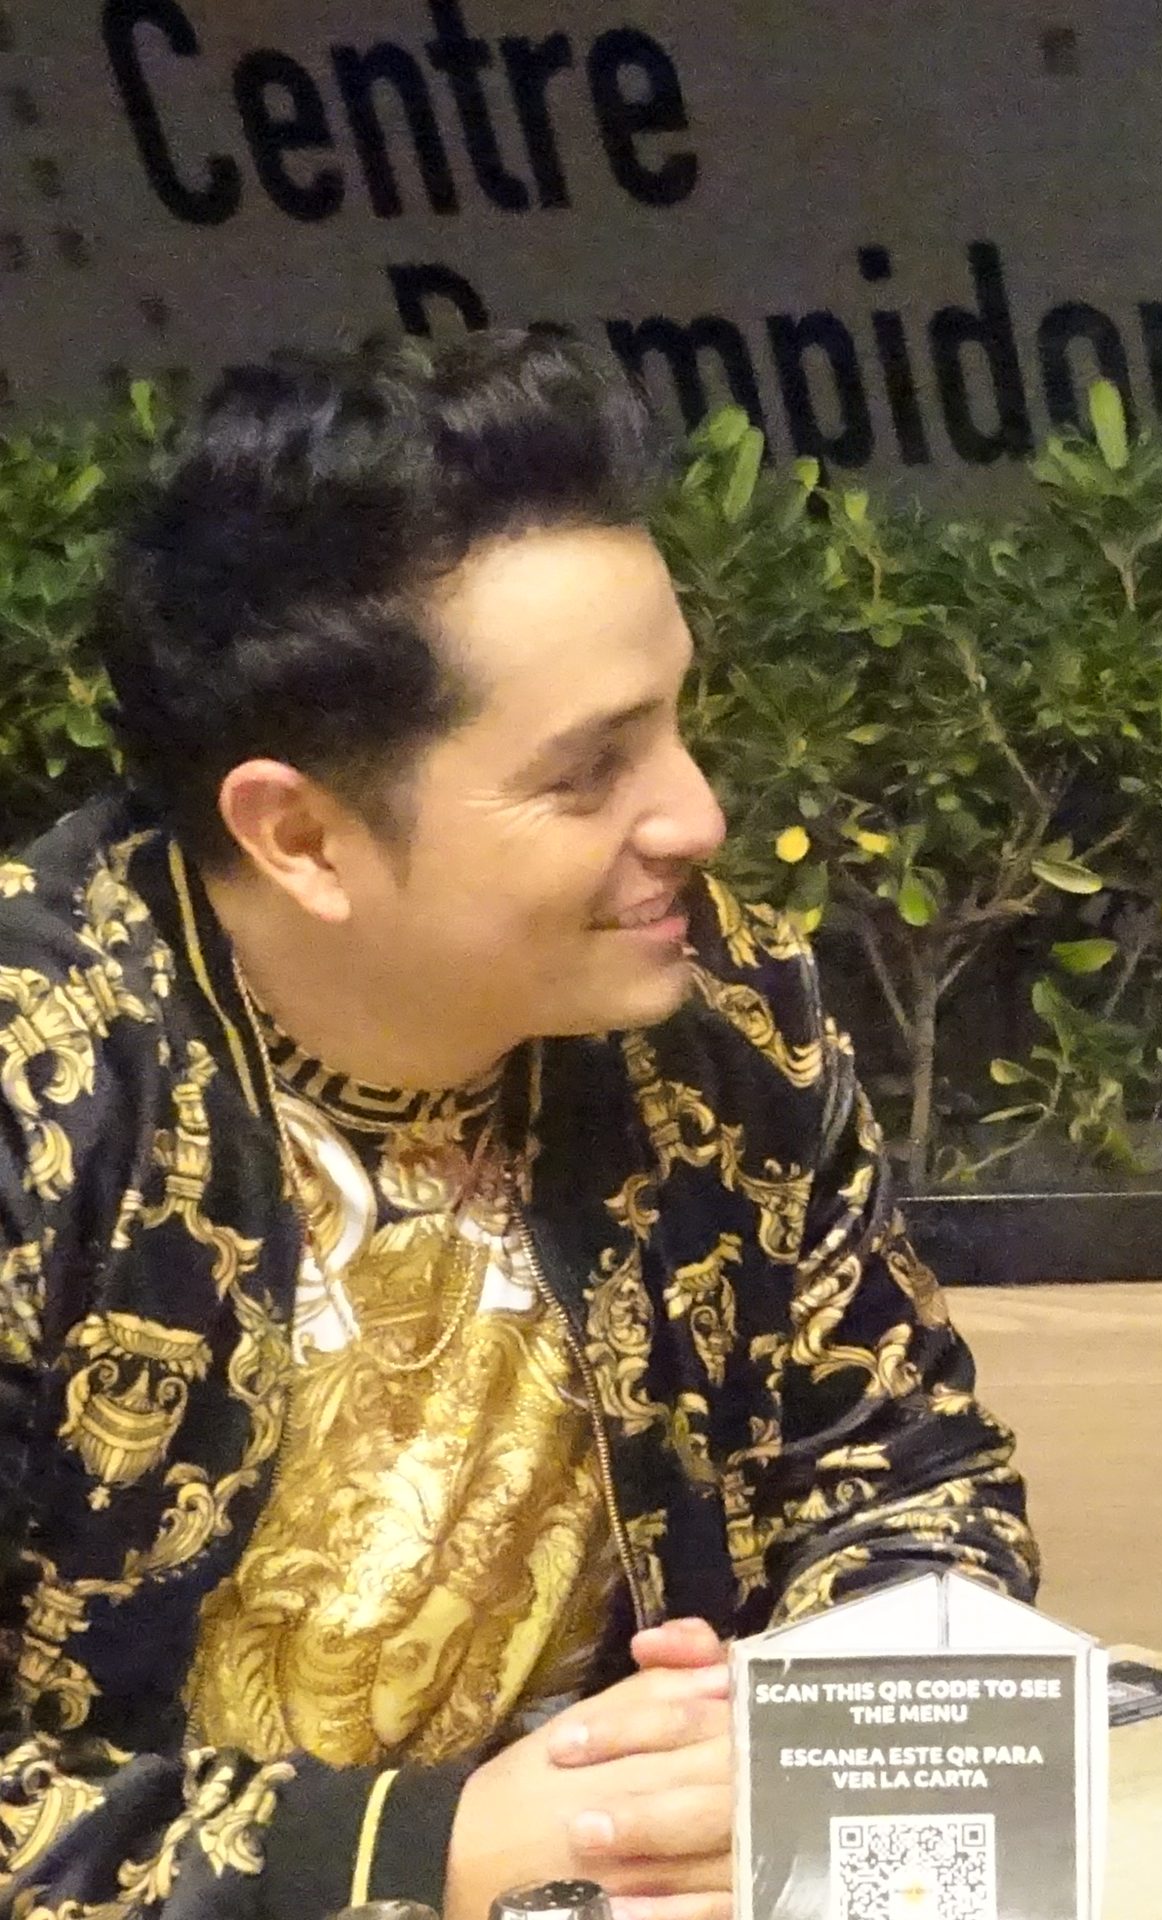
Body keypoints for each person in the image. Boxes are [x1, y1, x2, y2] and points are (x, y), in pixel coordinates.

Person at [0, 332, 1036, 1919]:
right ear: (301, 836)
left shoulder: (724, 1016)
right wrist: (433, 1853)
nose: (698, 816)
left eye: (678, 723)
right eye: (589, 773)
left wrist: (797, 1755)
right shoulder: (45, 1101)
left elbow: (909, 1482)